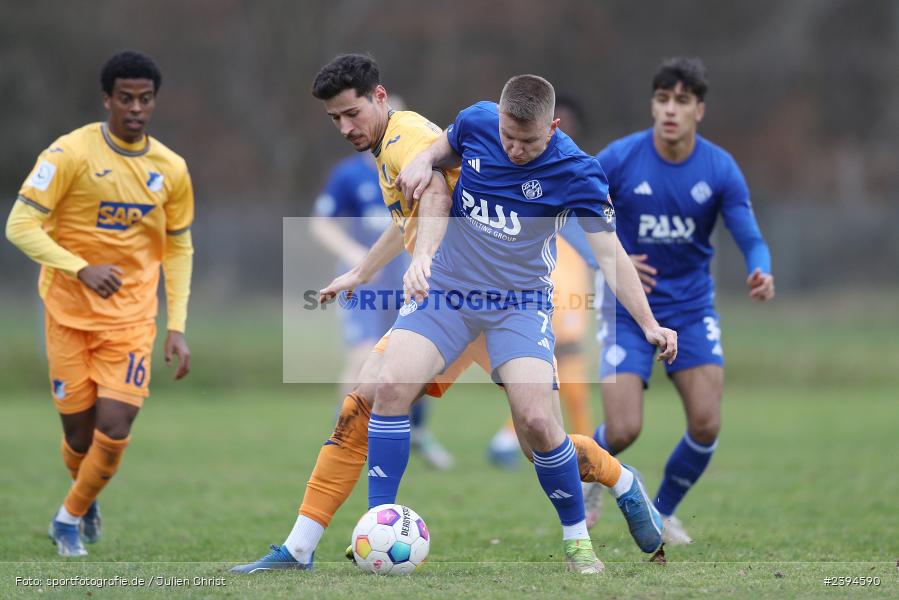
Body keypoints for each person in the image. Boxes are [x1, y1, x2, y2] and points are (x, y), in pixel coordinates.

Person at [231, 54, 644, 574]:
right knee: (372, 397)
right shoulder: (420, 138)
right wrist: (362, 272)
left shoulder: (404, 140)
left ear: (379, 98)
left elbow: (436, 200)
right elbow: (413, 207)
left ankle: (617, 485)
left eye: (352, 114)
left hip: (490, 297)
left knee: (536, 428)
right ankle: (307, 544)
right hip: (449, 297)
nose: (345, 127)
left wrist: (423, 256)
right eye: (335, 119)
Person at [378, 73, 678, 573]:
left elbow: (611, 255)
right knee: (389, 387)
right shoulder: (476, 122)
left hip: (519, 304)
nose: (515, 149)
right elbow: (441, 147)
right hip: (449, 291)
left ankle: (588, 526)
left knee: (537, 427)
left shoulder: (578, 172)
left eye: (528, 141)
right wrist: (422, 159)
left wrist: (649, 323)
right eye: (507, 137)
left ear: (553, 126)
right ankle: (377, 522)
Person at [4, 50, 194, 557]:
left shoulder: (171, 169)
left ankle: (66, 519)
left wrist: (176, 323)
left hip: (132, 319)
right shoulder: (69, 154)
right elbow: (19, 226)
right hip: (67, 314)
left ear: (154, 102)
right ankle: (85, 499)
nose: (136, 108)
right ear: (107, 99)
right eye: (126, 98)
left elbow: (178, 246)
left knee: (115, 425)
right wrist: (80, 267)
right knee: (80, 436)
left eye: (145, 99)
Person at [585, 57, 774, 543]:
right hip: (628, 309)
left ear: (699, 111)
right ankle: (593, 474)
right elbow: (570, 219)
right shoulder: (620, 159)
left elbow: (750, 237)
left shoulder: (719, 167)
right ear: (653, 104)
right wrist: (613, 259)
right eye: (663, 99)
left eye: (682, 101)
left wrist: (761, 269)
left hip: (690, 310)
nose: (671, 110)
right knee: (624, 430)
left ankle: (660, 510)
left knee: (707, 424)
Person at [309, 140, 453, 470]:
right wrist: (352, 254)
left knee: (415, 358)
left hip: (406, 276)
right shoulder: (348, 174)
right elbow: (320, 223)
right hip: (365, 282)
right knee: (363, 354)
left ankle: (415, 431)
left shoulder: (417, 171)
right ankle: (344, 433)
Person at [488, 95, 595, 467]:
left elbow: (595, 233)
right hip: (535, 286)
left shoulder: (577, 173)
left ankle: (586, 450)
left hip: (569, 280)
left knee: (568, 379)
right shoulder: (510, 165)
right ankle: (512, 439)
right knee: (545, 374)